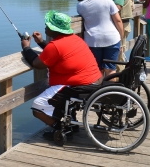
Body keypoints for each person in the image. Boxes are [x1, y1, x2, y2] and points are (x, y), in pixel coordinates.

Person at [20, 10, 102, 140]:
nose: (45, 27)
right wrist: (41, 42)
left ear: (55, 30)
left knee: (37, 106)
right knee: (57, 98)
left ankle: (61, 127)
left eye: (48, 25)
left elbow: (37, 63)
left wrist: (26, 47)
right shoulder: (75, 39)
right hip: (92, 81)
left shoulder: (55, 45)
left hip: (77, 85)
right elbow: (59, 52)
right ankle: (69, 123)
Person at [76, 0, 124, 78]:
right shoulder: (107, 0)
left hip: (93, 41)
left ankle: (98, 92)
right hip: (112, 39)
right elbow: (118, 21)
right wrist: (121, 38)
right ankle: (110, 92)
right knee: (110, 70)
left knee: (96, 70)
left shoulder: (80, 6)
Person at [99, 0, 134, 72]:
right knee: (119, 54)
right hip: (123, 25)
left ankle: (120, 82)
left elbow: (117, 7)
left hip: (121, 26)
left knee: (118, 57)